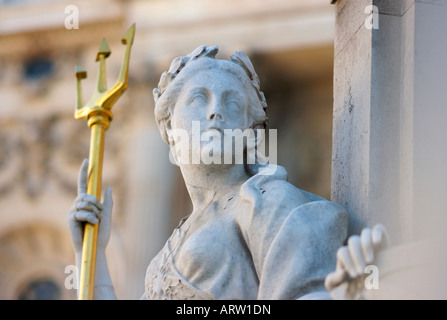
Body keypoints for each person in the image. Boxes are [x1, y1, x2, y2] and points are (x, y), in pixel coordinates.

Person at [67, 45, 380, 300]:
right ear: (169, 126)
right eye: (199, 98)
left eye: (232, 102)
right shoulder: (162, 256)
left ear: (250, 131)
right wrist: (91, 255)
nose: (215, 110)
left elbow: (310, 292)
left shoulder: (267, 201)